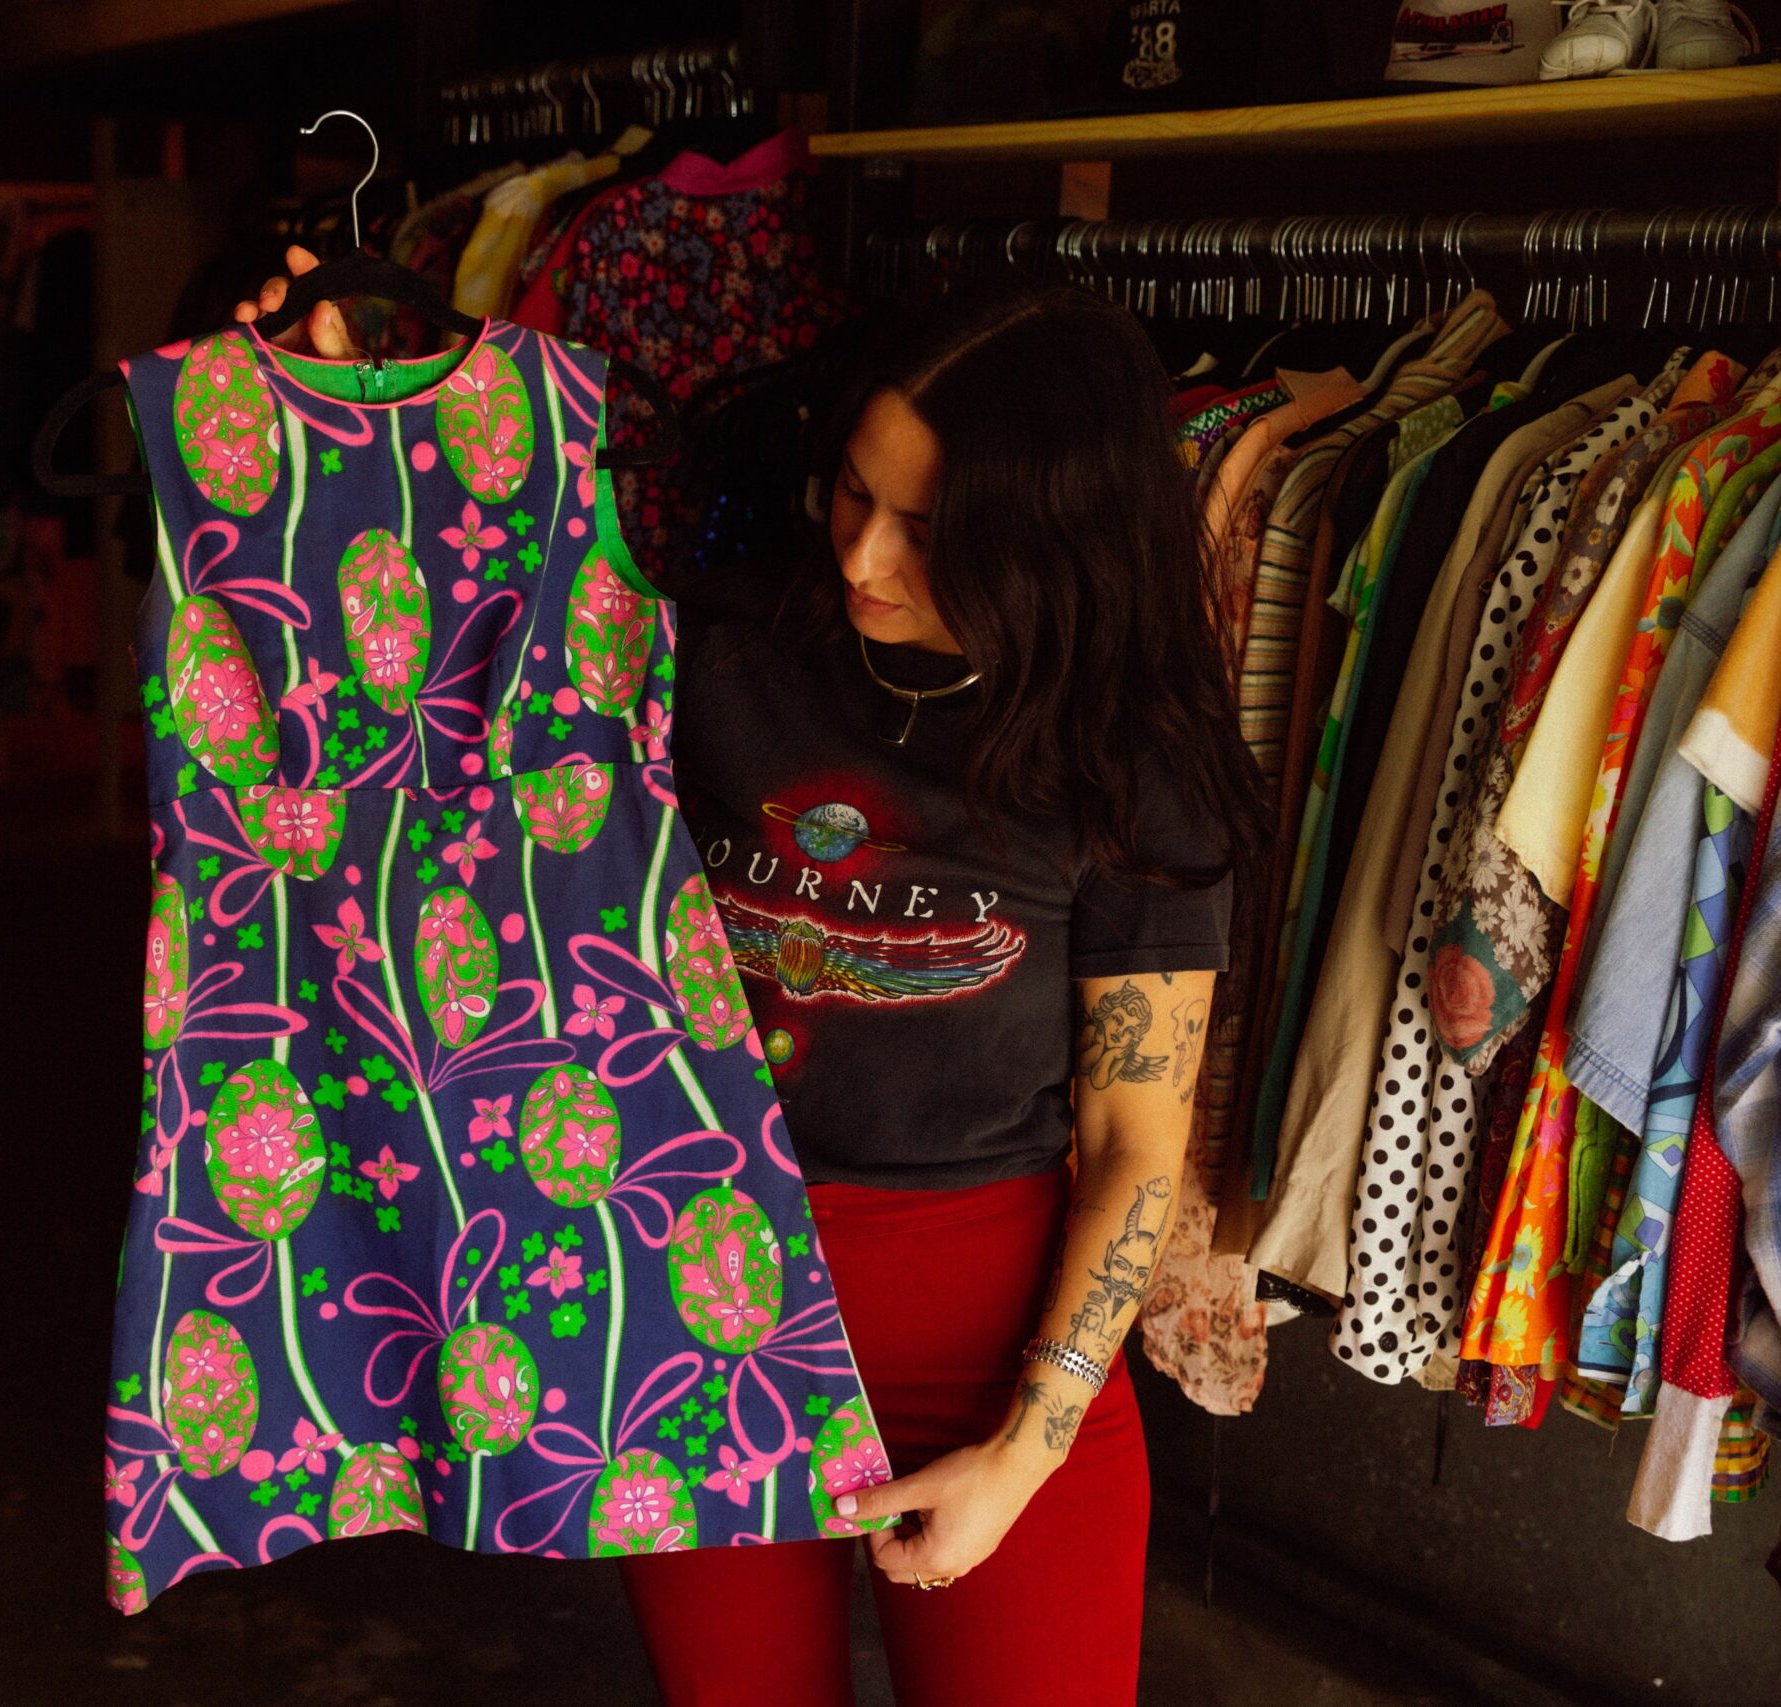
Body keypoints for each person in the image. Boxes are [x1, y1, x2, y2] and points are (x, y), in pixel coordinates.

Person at [235, 253, 1264, 1706]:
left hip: (1000, 1350)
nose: (861, 560)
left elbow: (1133, 1144)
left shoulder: (1126, 760)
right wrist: (338, 405)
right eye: (853, 492)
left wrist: (1025, 1451)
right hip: (702, 1322)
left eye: (928, 529)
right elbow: (422, 693)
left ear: (1053, 541)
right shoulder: (717, 645)